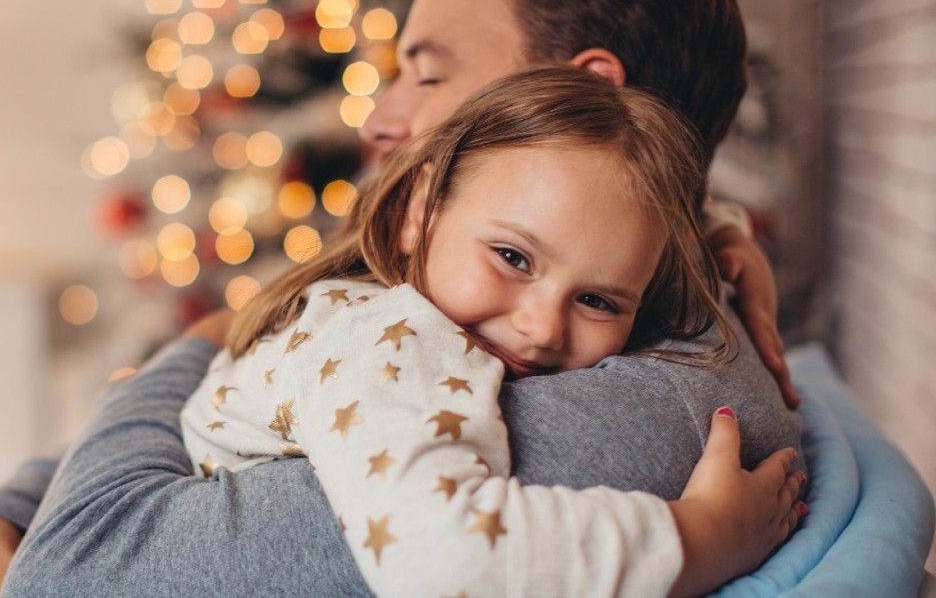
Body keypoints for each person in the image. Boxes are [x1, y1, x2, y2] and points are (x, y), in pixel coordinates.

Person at [0, 0, 804, 596]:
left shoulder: (639, 401)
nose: (380, 119)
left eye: (428, 73)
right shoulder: (437, 314)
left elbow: (75, 568)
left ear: (584, 97)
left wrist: (189, 353)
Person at [179, 67, 804, 597]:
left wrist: (724, 231)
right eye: (512, 257)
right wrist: (701, 538)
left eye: (597, 301)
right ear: (421, 212)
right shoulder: (387, 341)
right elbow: (446, 561)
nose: (540, 329)